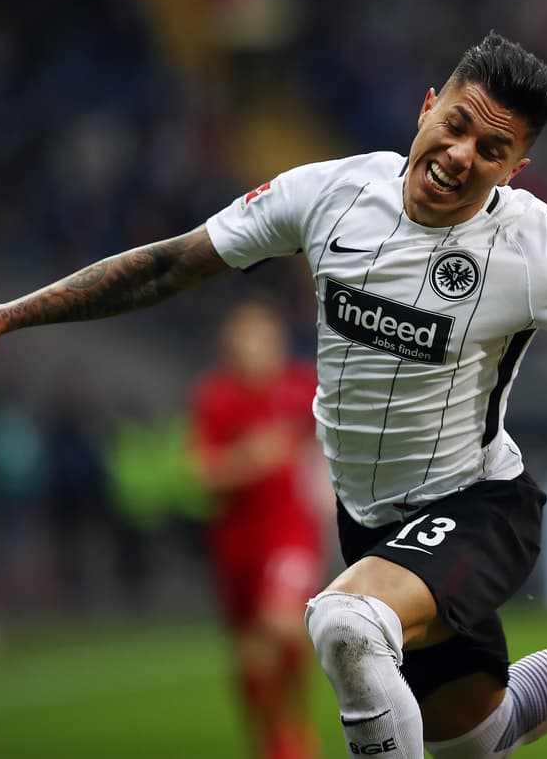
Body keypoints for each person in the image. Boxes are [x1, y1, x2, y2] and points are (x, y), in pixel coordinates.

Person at [0, 32, 547, 759]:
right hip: (375, 518)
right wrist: (1, 317)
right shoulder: (330, 194)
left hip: (480, 507)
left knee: (345, 622)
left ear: (515, 167)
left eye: (492, 149)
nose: (461, 155)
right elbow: (172, 264)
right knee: (479, 737)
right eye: (456, 124)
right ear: (427, 107)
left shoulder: (528, 247)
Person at [190, 299, 325, 759]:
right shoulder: (216, 398)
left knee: (281, 624)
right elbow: (202, 473)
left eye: (263, 339)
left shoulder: (301, 386)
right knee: (251, 655)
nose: (255, 349)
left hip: (290, 533)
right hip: (236, 540)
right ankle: (272, 739)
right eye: (245, 340)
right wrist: (248, 459)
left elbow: (338, 437)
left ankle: (293, 729)